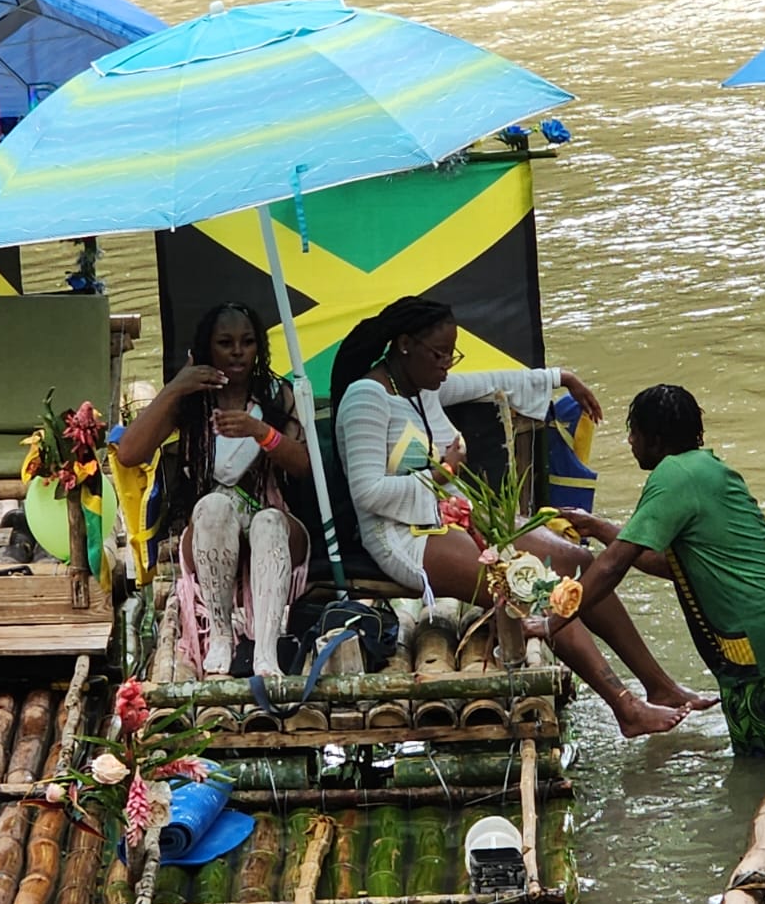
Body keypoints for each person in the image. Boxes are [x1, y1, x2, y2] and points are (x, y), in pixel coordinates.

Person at [330, 296, 717, 739]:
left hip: (454, 515)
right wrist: (443, 473)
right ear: (404, 345)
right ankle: (625, 707)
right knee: (536, 586)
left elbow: (493, 382)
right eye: (439, 355)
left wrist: (560, 378)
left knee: (578, 561)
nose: (447, 367)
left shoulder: (423, 387)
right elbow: (368, 493)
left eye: (452, 355)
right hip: (401, 536)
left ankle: (660, 686)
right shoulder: (367, 398)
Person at [541, 385, 765, 758]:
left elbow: (612, 566)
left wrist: (552, 622)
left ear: (655, 440)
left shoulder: (672, 476)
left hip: (760, 647)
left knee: (757, 762)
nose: (630, 441)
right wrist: (598, 528)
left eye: (634, 432)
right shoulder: (710, 468)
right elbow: (672, 565)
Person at [116, 303, 311, 679]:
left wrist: (261, 432)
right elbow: (128, 453)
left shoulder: (277, 394)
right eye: (225, 343)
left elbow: (303, 466)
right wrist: (175, 387)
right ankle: (221, 635)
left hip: (274, 519)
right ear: (208, 347)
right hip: (209, 528)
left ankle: (266, 651)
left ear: (259, 347)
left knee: (268, 522)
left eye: (247, 342)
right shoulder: (191, 399)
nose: (238, 352)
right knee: (214, 507)